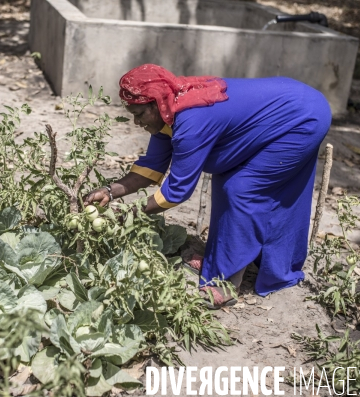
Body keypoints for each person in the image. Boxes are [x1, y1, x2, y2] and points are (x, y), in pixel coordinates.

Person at [83, 64, 331, 309]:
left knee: (241, 189)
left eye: (139, 114)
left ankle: (225, 281)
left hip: (301, 118)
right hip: (287, 106)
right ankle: (240, 259)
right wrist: (108, 191)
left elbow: (177, 191)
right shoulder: (168, 111)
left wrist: (129, 215)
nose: (137, 123)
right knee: (232, 182)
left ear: (155, 103)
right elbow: (151, 168)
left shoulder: (190, 122)